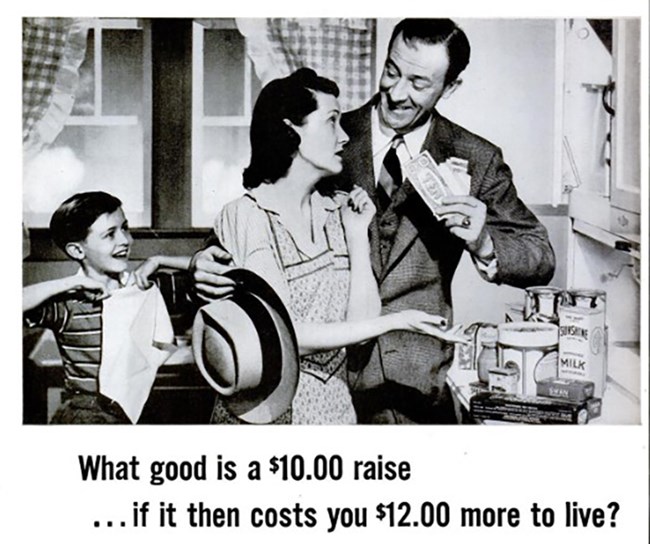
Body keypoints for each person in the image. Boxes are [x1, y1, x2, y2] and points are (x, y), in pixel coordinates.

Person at [192, 68, 466, 425]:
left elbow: (360, 328)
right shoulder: (248, 216)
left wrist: (355, 235)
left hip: (334, 414)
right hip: (266, 419)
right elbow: (282, 336)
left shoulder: (339, 211)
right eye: (331, 122)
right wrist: (398, 321)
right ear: (291, 130)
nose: (344, 136)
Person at [326, 18, 556, 424]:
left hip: (417, 391)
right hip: (325, 379)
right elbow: (262, 203)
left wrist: (484, 241)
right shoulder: (328, 139)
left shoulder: (476, 158)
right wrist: (208, 262)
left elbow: (540, 255)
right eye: (392, 71)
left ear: (450, 88)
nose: (396, 93)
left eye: (418, 83)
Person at [23, 191, 190, 423]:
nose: (125, 240)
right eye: (110, 234)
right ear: (77, 251)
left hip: (137, 412)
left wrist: (159, 260)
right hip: (86, 417)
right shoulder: (67, 303)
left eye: (125, 228)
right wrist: (71, 282)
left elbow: (218, 271)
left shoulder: (145, 286)